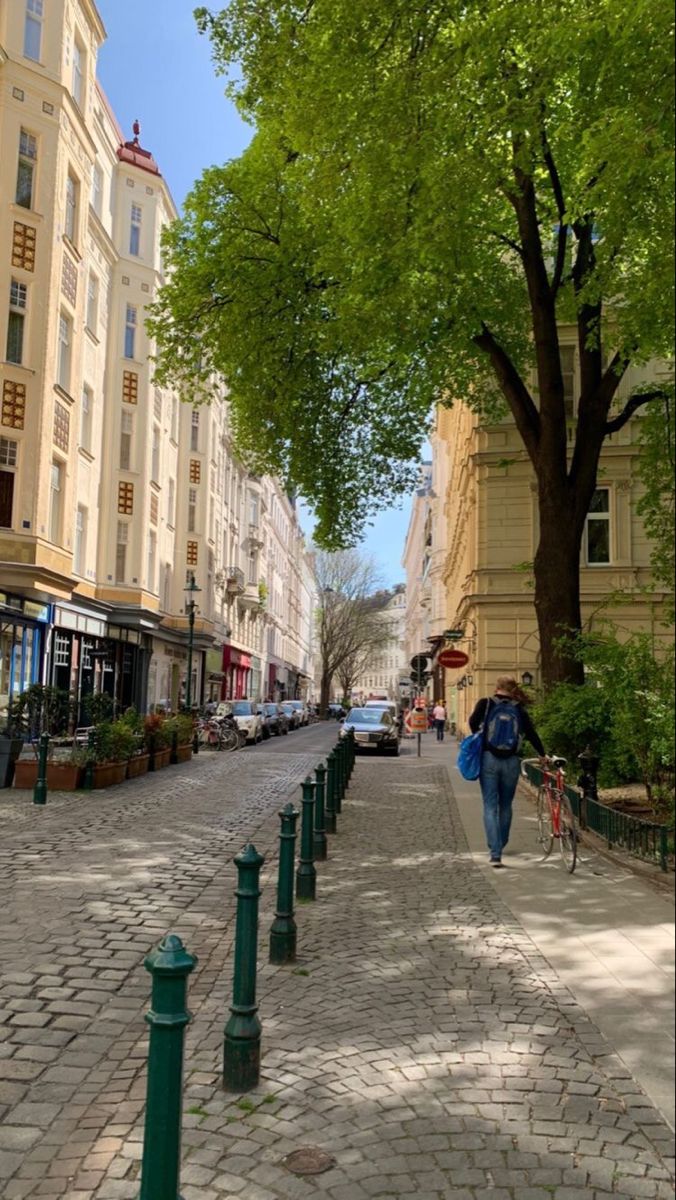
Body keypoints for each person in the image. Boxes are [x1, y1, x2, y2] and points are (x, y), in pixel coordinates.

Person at [468, 675, 545, 868]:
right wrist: (542, 754)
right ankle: (501, 841)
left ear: (497, 687)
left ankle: (495, 853)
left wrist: (481, 734)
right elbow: (531, 733)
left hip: (489, 759)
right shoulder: (518, 708)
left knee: (489, 805)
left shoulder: (485, 704)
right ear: (513, 690)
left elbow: (472, 722)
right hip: (511, 760)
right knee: (506, 805)